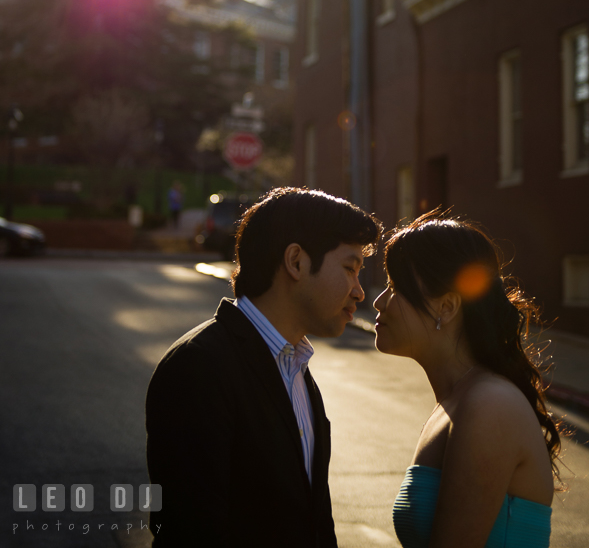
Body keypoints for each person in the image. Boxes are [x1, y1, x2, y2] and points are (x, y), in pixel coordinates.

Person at [146, 187, 381, 547]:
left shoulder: (297, 368)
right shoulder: (199, 368)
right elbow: (189, 532)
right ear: (296, 262)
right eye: (350, 269)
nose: (359, 292)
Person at [373, 215, 561, 548]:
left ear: (446, 307)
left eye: (396, 287)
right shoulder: (455, 401)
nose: (378, 302)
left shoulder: (489, 404)